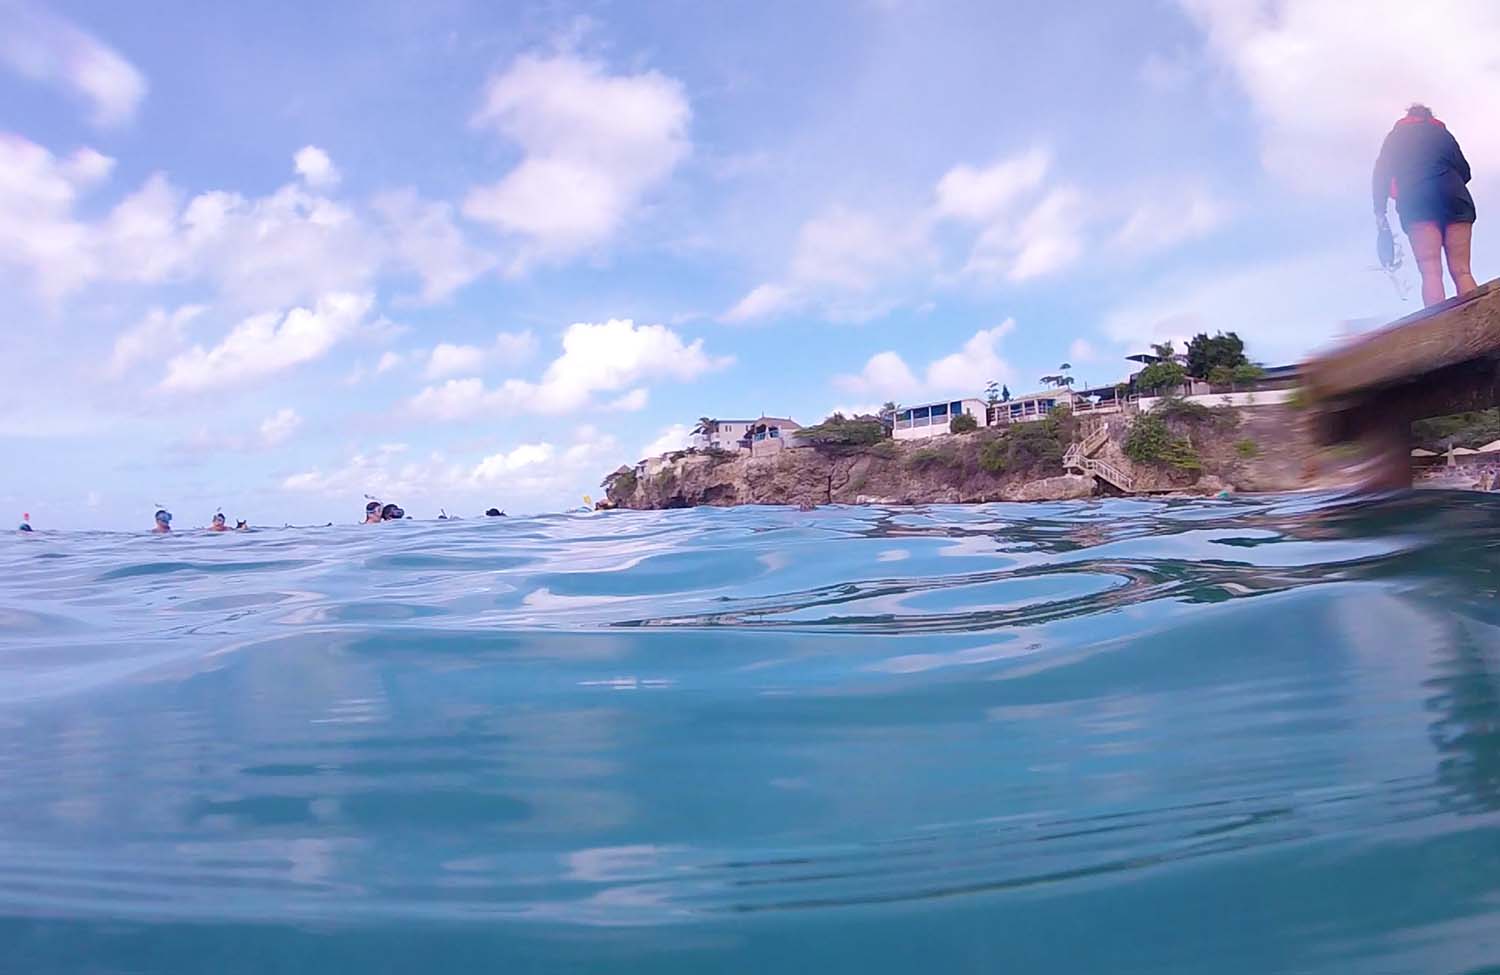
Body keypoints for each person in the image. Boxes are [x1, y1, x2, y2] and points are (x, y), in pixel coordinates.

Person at [1372, 103, 1478, 307]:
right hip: (1455, 197)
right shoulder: (1442, 134)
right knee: (1462, 270)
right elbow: (1465, 171)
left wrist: (1380, 211)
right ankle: (1476, 325)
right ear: (1429, 117)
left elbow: (1381, 175)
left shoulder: (1396, 137)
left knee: (1430, 271)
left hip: (1416, 202)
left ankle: (1440, 332)